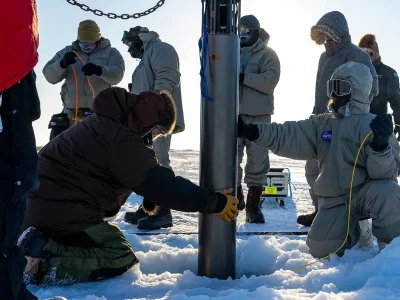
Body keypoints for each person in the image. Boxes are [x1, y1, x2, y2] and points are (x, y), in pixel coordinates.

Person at [18, 87, 238, 286]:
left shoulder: (106, 123)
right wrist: (213, 201)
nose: (154, 137)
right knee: (119, 253)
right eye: (158, 131)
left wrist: (150, 188)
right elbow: (163, 185)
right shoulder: (120, 138)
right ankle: (41, 263)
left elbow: (142, 172)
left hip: (38, 208)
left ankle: (38, 244)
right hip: (58, 211)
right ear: (149, 120)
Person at [238, 62, 400, 258]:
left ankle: (391, 251)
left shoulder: (373, 125)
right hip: (336, 200)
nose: (334, 94)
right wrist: (253, 131)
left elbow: (386, 175)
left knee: (389, 192)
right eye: (332, 87)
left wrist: (380, 147)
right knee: (320, 249)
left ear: (357, 90)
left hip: (367, 194)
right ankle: (359, 229)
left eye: (340, 88)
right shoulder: (322, 123)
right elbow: (288, 134)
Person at [0, 1, 66, 300]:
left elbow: (115, 73)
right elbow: (54, 74)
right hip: (8, 76)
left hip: (13, 72)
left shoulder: (112, 54)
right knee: (9, 189)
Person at [298, 11, 379, 227]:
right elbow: (320, 90)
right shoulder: (324, 57)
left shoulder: (357, 55)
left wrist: (352, 110)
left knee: (341, 173)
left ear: (339, 31)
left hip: (344, 122)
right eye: (321, 32)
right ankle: (320, 211)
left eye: (328, 32)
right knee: (312, 169)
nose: (325, 36)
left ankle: (349, 219)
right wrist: (316, 111)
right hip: (321, 118)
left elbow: (373, 88)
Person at [121, 26, 186, 230]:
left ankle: (163, 212)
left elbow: (167, 77)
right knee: (147, 162)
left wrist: (156, 109)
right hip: (146, 119)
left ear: (139, 39)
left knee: (159, 161)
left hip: (158, 117)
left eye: (130, 44)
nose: (129, 48)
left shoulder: (161, 48)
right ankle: (150, 207)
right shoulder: (146, 56)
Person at [43, 20, 125, 140]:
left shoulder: (111, 53)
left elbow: (118, 75)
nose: (86, 45)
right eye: (83, 42)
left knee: (98, 155)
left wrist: (99, 70)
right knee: (67, 155)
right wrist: (61, 64)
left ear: (98, 39)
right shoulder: (68, 51)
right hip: (71, 117)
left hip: (99, 117)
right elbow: (49, 75)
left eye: (90, 42)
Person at [237, 15, 280, 224]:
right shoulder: (231, 52)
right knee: (229, 159)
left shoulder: (268, 55)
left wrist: (243, 76)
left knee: (257, 162)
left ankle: (253, 205)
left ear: (255, 32)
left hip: (259, 117)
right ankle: (235, 197)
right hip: (233, 115)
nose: (243, 33)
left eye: (247, 30)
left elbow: (269, 82)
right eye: (240, 29)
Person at [359, 34, 400, 140]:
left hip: (378, 127)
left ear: (376, 53)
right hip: (354, 126)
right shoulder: (351, 71)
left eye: (370, 52)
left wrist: (399, 123)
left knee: (379, 154)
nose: (367, 56)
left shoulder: (388, 73)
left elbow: (396, 101)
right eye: (363, 52)